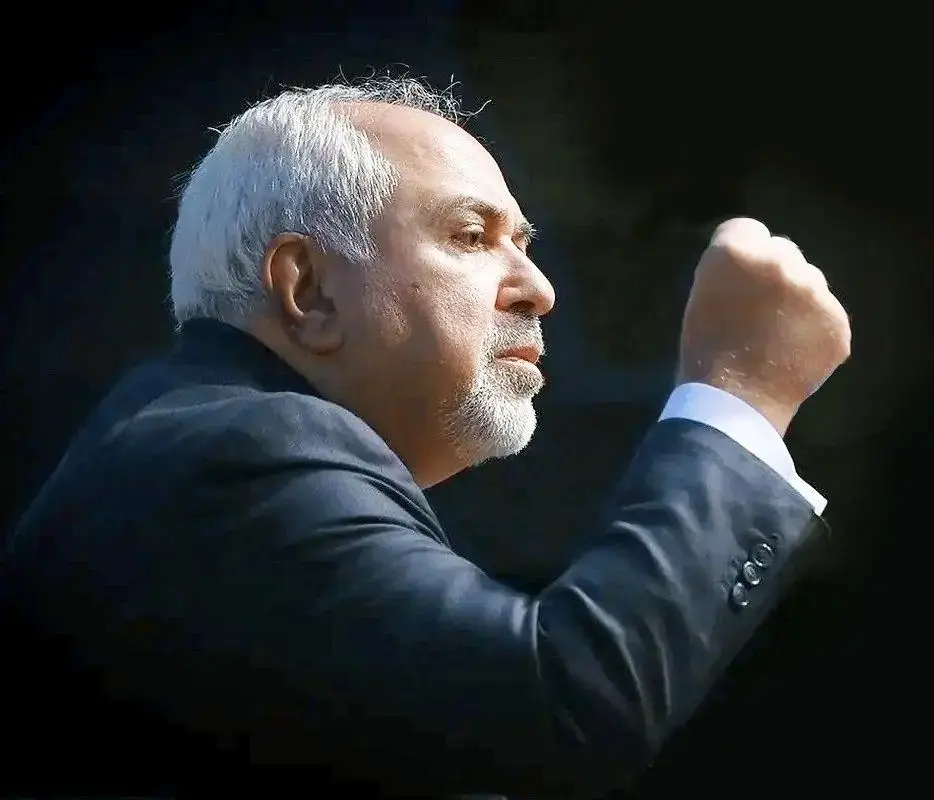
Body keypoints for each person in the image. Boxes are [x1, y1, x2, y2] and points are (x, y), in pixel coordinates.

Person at [2, 77, 851, 798]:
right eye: (472, 236)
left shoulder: (199, 438)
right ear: (308, 290)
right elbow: (562, 702)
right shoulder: (237, 449)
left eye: (524, 244)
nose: (539, 288)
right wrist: (737, 392)